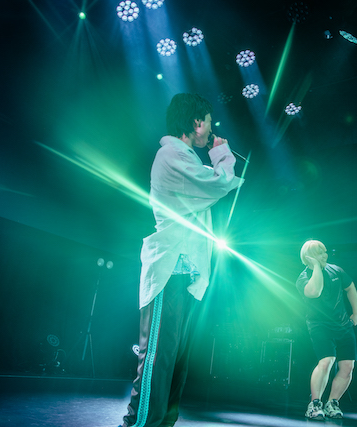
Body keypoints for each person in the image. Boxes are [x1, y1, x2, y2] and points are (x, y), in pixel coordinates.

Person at [121, 93, 243, 427]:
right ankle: (138, 422)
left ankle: (161, 423)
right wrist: (221, 153)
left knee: (176, 361)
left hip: (185, 275)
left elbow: (217, 182)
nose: (210, 129)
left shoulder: (186, 158)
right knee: (159, 358)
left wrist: (218, 158)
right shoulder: (172, 155)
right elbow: (220, 183)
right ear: (196, 122)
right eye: (208, 120)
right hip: (170, 271)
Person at [295, 240, 357, 420]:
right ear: (308, 257)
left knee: (347, 366)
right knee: (327, 360)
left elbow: (350, 287)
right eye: (319, 253)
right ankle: (315, 404)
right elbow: (315, 291)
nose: (325, 255)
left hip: (343, 325)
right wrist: (316, 266)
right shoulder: (303, 279)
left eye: (325, 252)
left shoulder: (337, 270)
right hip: (319, 325)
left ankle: (332, 403)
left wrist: (356, 312)